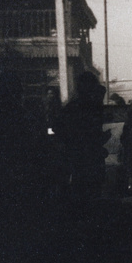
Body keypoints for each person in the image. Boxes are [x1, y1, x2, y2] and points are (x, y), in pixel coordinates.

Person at [54, 71, 108, 209]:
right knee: (92, 193)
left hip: (76, 156)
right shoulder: (93, 108)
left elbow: (57, 128)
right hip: (90, 156)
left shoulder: (71, 107)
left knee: (79, 191)